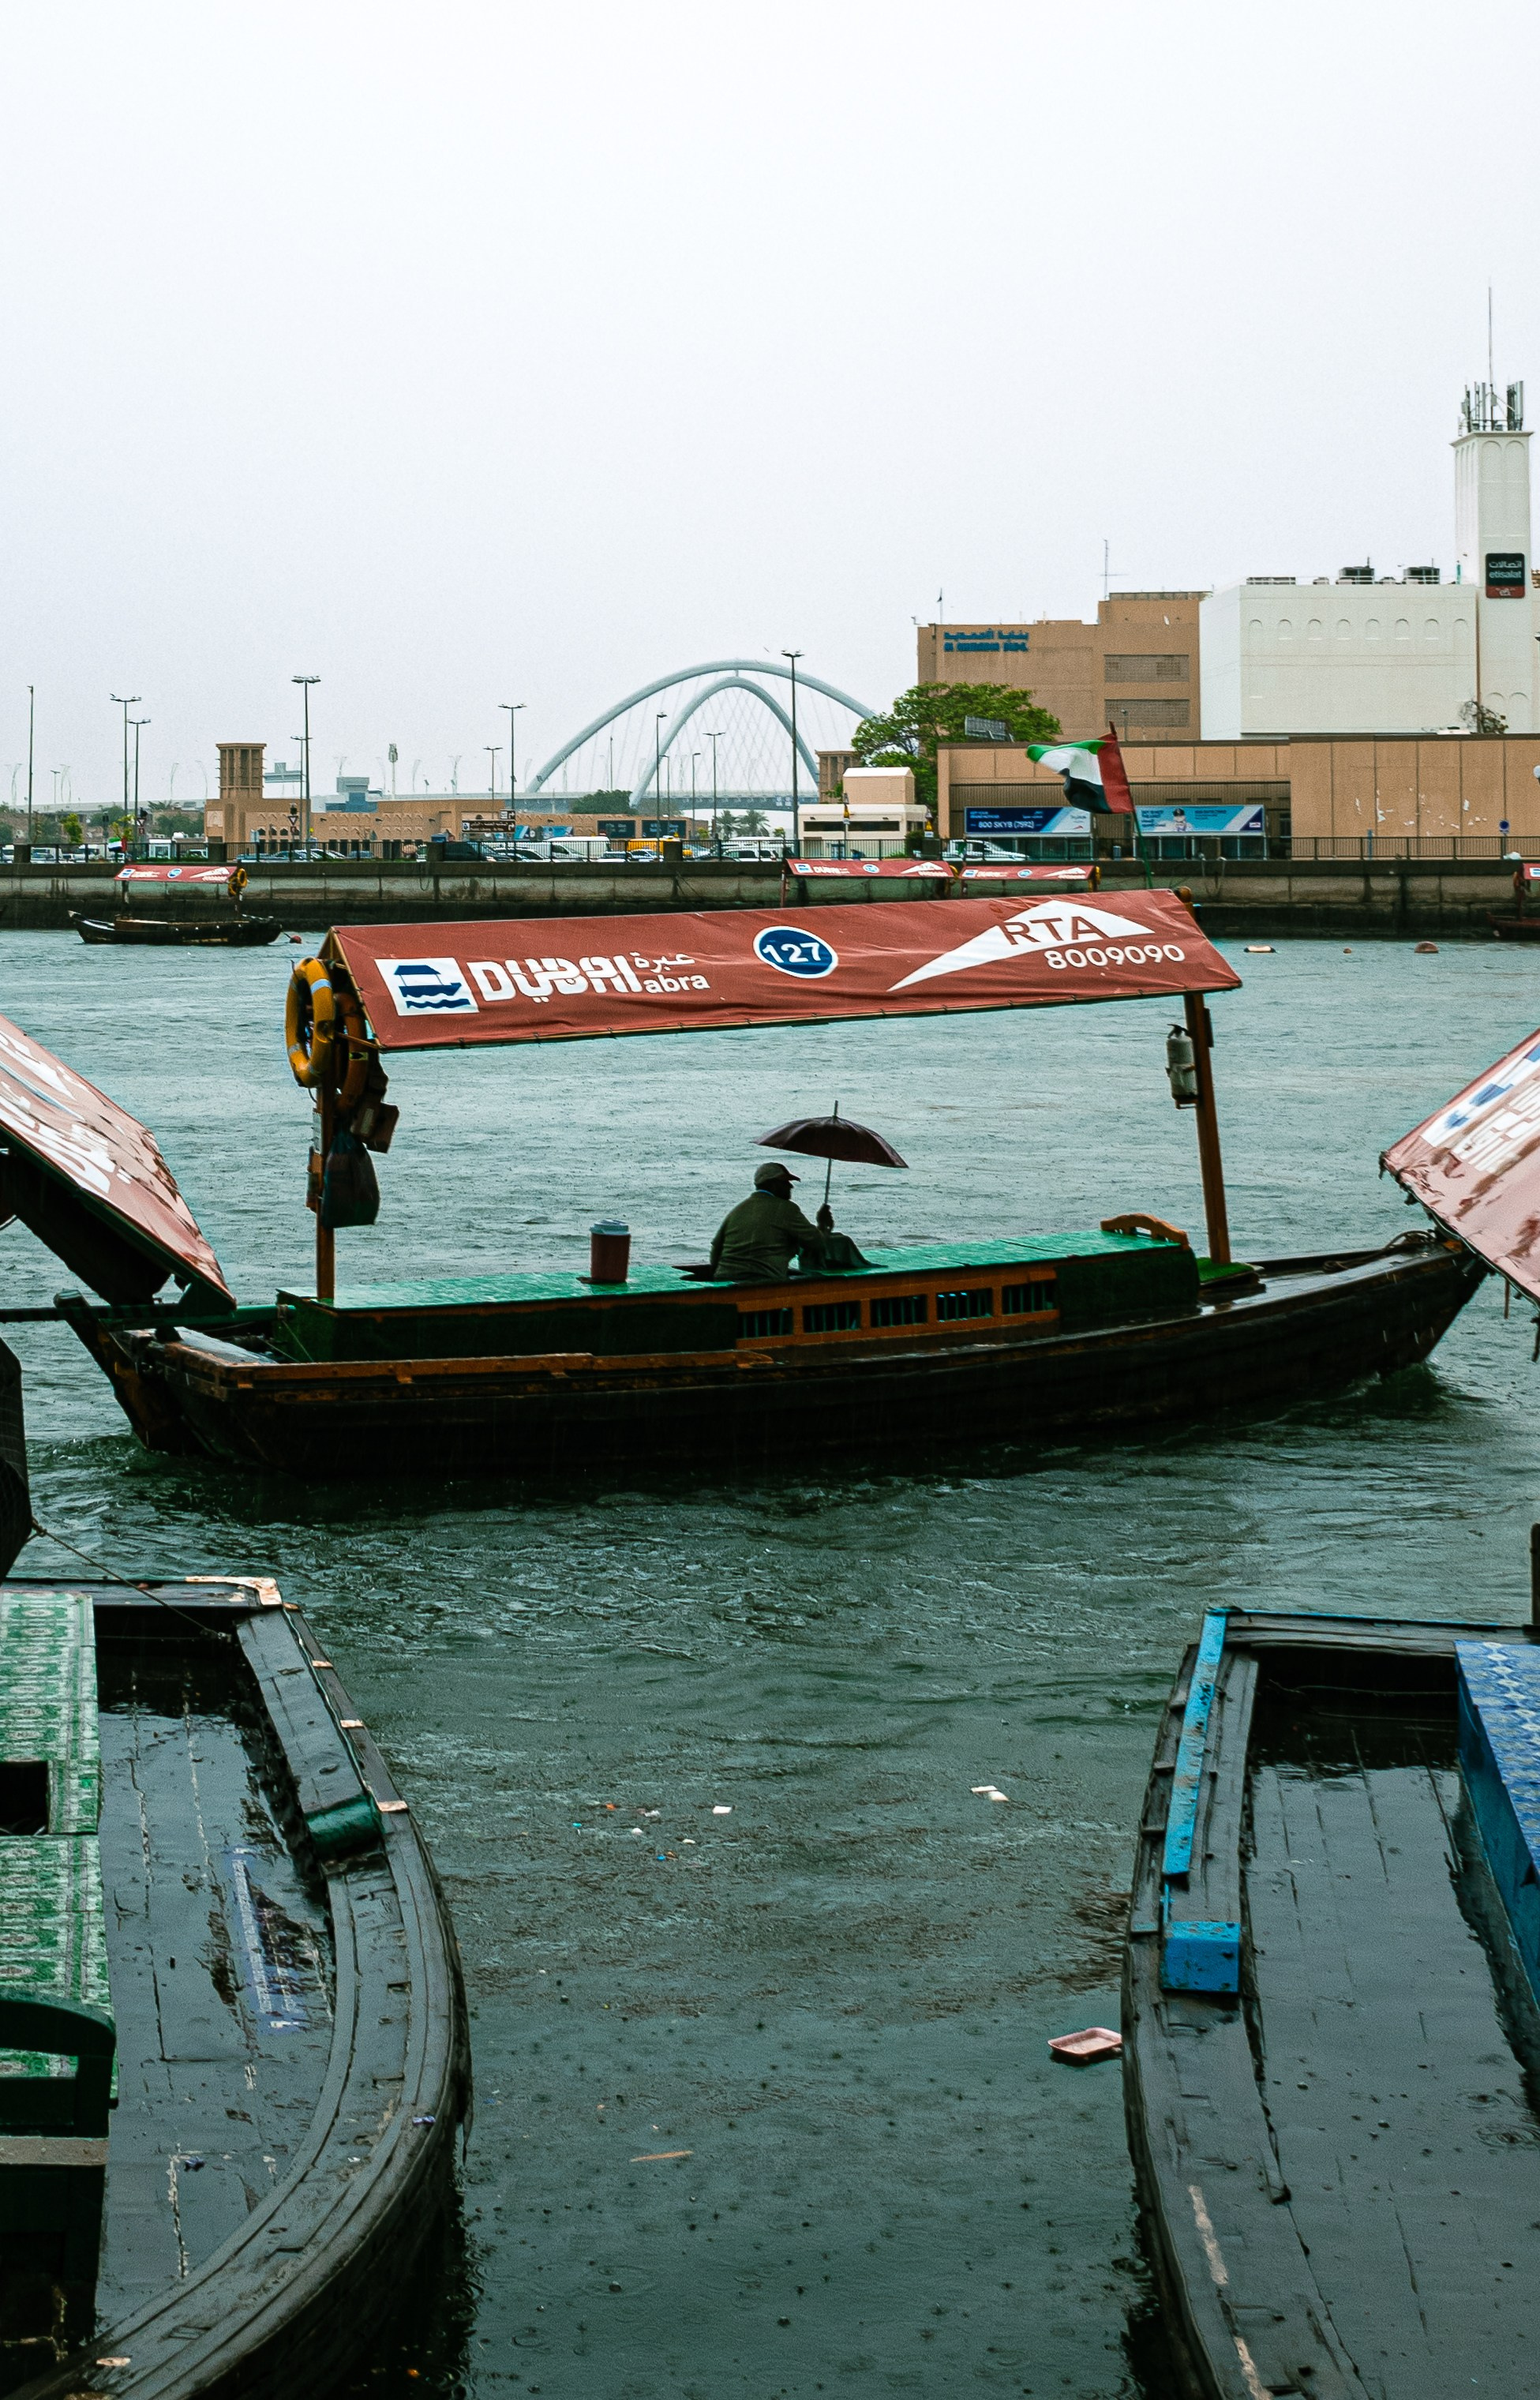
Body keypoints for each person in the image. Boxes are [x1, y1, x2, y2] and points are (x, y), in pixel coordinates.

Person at [710, 1161, 866, 1283]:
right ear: (773, 1185)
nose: (790, 1186)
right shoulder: (786, 1209)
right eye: (785, 1182)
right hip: (762, 1282)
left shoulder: (739, 1209)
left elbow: (716, 1248)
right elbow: (817, 1243)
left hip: (724, 1279)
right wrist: (824, 1226)